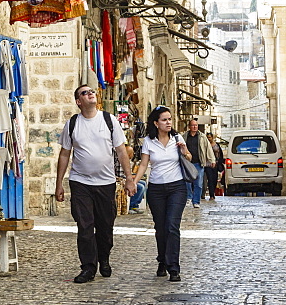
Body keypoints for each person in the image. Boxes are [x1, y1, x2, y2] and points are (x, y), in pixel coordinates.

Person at [55, 84, 133, 283]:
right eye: (84, 93)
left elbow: (122, 151)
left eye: (92, 91)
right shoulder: (72, 124)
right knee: (85, 226)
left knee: (105, 226)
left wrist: (129, 179)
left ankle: (104, 257)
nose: (90, 94)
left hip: (105, 183)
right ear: (78, 101)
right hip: (80, 182)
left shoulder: (109, 121)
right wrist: (59, 184)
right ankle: (88, 267)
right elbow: (65, 154)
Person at [128, 106, 190, 282]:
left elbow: (190, 158)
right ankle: (162, 260)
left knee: (172, 225)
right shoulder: (148, 141)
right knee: (161, 228)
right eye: (164, 119)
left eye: (170, 119)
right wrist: (133, 181)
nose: (168, 122)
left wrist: (185, 152)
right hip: (156, 189)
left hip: (177, 187)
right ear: (156, 123)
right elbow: (143, 164)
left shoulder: (177, 138)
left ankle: (174, 267)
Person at [183, 119, 216, 207]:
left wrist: (211, 159)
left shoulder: (202, 137)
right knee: (187, 182)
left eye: (196, 125)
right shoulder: (184, 136)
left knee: (198, 183)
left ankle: (196, 201)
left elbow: (208, 148)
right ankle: (189, 198)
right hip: (188, 163)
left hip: (199, 163)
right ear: (189, 126)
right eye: (193, 125)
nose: (194, 127)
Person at [208, 132, 225, 196]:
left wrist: (220, 162)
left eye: (209, 137)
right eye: (207, 137)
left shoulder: (217, 145)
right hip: (208, 164)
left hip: (216, 164)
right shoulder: (206, 145)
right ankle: (211, 194)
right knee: (210, 179)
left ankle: (213, 192)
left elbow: (220, 154)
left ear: (212, 138)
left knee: (214, 179)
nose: (208, 139)